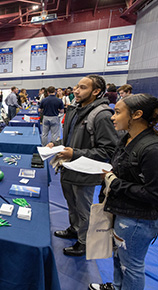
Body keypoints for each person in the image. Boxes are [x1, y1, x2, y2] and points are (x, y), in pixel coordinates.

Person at [89, 94, 158, 290]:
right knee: (120, 257)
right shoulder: (128, 138)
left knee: (132, 266)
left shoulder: (152, 148)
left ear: (136, 115)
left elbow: (154, 194)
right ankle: (118, 286)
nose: (113, 117)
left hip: (138, 219)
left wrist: (114, 182)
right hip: (122, 210)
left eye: (118, 112)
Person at [48, 74, 118, 256]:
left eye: (83, 88)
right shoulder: (75, 110)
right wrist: (55, 145)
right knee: (71, 204)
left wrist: (75, 153)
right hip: (68, 168)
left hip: (85, 172)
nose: (76, 91)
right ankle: (74, 229)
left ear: (96, 91)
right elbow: (70, 139)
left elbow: (108, 151)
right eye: (76, 87)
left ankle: (84, 242)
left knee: (82, 208)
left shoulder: (102, 115)